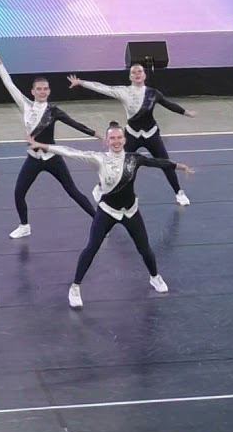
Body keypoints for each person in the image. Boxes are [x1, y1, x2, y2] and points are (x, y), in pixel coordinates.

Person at [29, 123, 194, 308]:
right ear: (107, 141)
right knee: (92, 248)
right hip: (107, 211)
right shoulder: (99, 159)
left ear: (124, 139)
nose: (116, 141)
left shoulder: (134, 159)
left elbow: (157, 162)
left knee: (145, 249)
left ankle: (155, 277)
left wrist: (180, 166)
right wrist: (42, 146)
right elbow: (70, 152)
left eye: (119, 137)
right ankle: (75, 287)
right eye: (112, 138)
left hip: (130, 211)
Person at [0, 49, 98, 239]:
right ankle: (24, 226)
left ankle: (99, 222)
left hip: (53, 157)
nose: (42, 91)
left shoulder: (54, 111)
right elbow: (9, 84)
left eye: (45, 89)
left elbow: (74, 124)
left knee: (73, 191)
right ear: (32, 91)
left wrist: (96, 134)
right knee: (19, 192)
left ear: (49, 91)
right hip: (33, 159)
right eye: (39, 89)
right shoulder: (25, 105)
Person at [68, 64, 197, 205]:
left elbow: (169, 104)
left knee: (165, 162)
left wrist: (186, 113)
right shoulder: (123, 91)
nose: (137, 74)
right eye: (134, 72)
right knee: (118, 163)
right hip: (131, 135)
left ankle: (179, 192)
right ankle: (100, 186)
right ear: (130, 77)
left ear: (144, 75)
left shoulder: (153, 93)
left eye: (139, 71)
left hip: (151, 135)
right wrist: (81, 82)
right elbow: (102, 87)